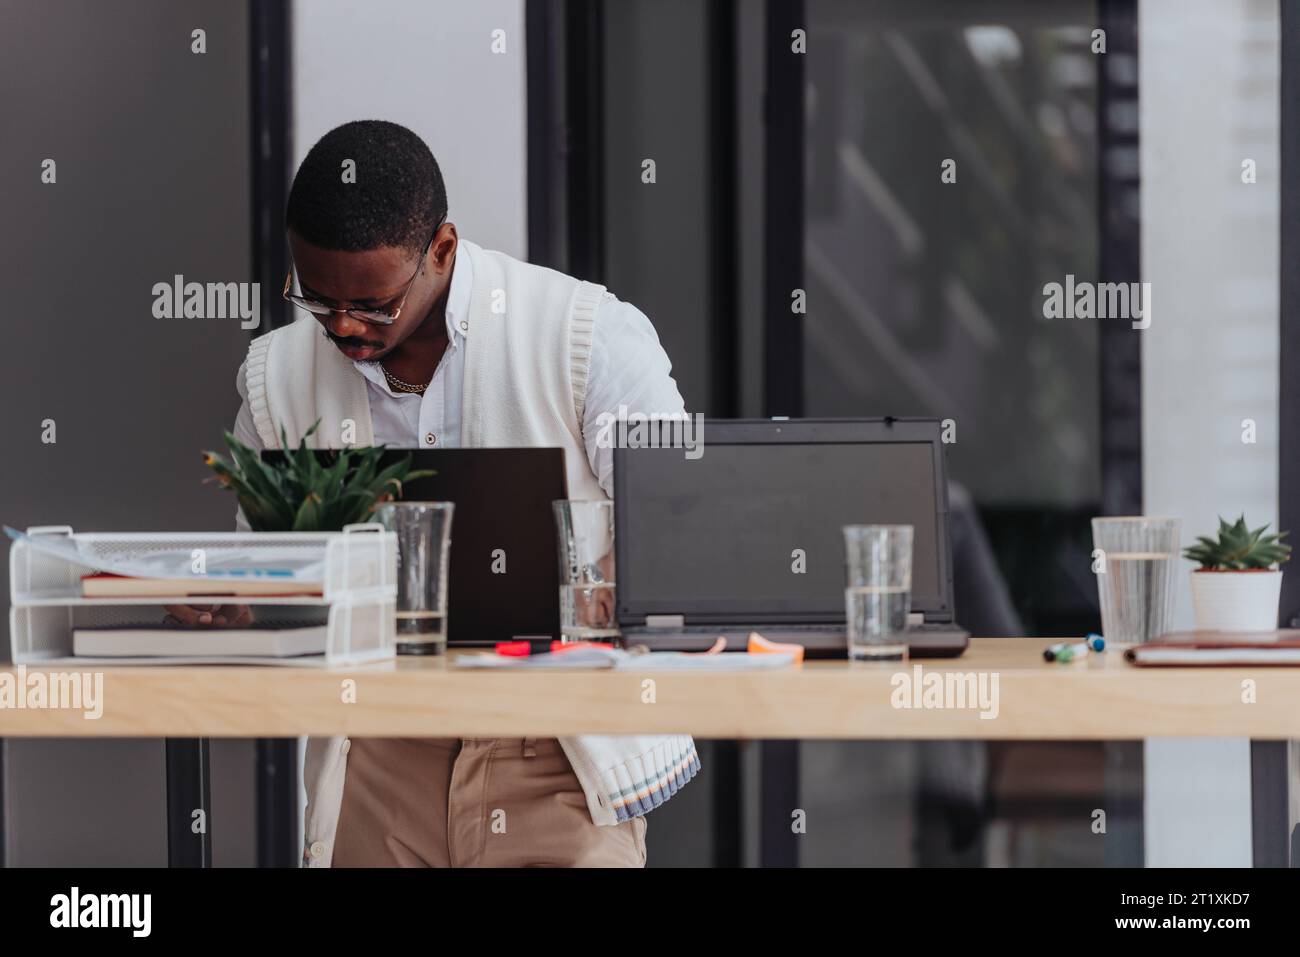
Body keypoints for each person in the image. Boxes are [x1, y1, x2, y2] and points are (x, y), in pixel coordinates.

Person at [169, 119, 700, 867]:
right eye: (317, 299)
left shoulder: (584, 334)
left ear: (442, 250)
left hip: (558, 753)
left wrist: (608, 587)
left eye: (374, 304)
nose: (345, 326)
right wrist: (234, 600)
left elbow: (680, 516)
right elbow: (269, 563)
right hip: (381, 752)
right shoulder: (276, 377)